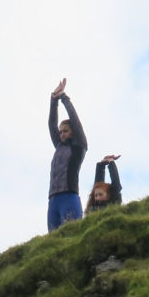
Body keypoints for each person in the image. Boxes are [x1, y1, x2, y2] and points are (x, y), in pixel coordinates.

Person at [48, 78, 88, 231]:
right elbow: (51, 124)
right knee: (53, 242)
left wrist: (64, 98)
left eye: (65, 131)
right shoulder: (58, 146)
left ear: (72, 132)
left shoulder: (79, 146)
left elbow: (76, 122)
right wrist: (54, 99)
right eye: (61, 131)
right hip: (53, 200)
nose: (62, 134)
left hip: (69, 197)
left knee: (72, 235)